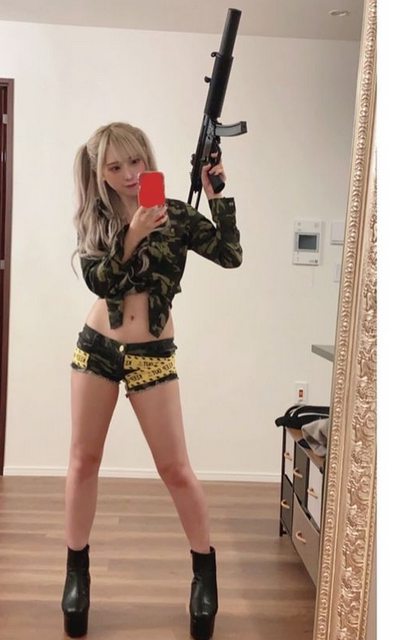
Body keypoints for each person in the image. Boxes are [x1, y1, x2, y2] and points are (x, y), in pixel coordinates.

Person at [61, 122, 243, 640]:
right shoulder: (96, 221)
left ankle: (204, 575)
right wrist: (133, 233)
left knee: (176, 469)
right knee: (83, 460)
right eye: (115, 166)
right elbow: (100, 280)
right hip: (98, 347)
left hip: (153, 354)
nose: (128, 174)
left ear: (148, 158)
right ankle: (76, 574)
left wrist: (216, 196)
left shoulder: (176, 215)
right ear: (100, 172)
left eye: (135, 161)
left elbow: (230, 254)